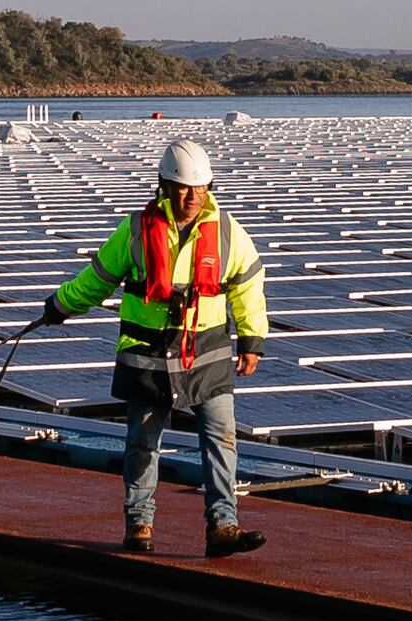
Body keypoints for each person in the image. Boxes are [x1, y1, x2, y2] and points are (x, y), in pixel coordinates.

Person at [42, 136, 274, 555]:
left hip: (208, 353)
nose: (192, 197)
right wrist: (59, 305)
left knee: (221, 440)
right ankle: (139, 523)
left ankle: (223, 526)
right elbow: (96, 280)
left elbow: (248, 286)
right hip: (147, 355)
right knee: (143, 442)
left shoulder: (226, 231)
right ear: (164, 186)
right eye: (184, 188)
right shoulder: (135, 230)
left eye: (200, 188)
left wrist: (252, 340)